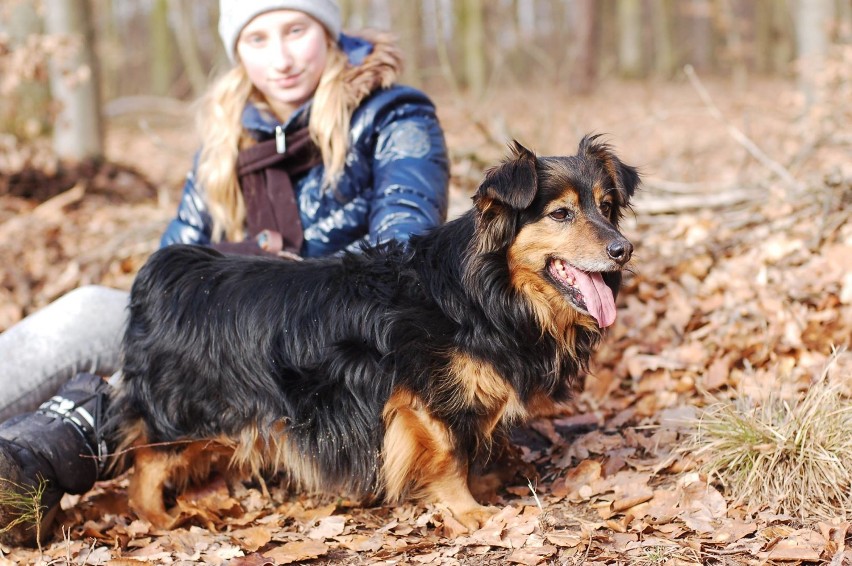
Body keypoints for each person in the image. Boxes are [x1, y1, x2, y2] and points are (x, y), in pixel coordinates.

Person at [0, 0, 449, 546]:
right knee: (96, 308)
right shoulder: (230, 131)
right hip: (222, 328)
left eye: (295, 30)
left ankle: (26, 465)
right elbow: (169, 268)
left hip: (331, 348)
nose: (280, 58)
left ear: (329, 32)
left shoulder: (394, 115)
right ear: (236, 50)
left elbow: (403, 252)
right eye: (256, 39)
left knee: (183, 357)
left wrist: (260, 281)